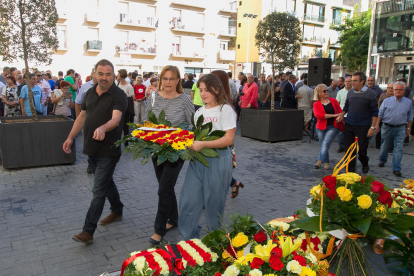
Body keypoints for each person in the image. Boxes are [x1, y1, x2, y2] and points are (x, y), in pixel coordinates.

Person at [63, 59, 127, 244]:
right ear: (94, 74)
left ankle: (88, 231)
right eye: (101, 74)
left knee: (98, 190)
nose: (104, 78)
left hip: (109, 149)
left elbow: (116, 119)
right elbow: (82, 116)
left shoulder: (119, 95)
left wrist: (103, 128)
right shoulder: (89, 92)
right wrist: (70, 138)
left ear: (113, 75)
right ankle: (117, 209)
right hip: (91, 148)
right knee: (106, 182)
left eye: (108, 74)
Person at [178, 73, 236, 240]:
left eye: (206, 90)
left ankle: (216, 242)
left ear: (216, 89)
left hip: (219, 160)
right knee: (187, 201)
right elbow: (197, 137)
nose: (202, 93)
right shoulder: (199, 112)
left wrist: (203, 144)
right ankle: (190, 240)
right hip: (198, 160)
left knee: (214, 206)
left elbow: (228, 139)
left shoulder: (225, 110)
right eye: (200, 90)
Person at [145, 65, 194, 245]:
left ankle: (159, 230)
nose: (167, 82)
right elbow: (146, 120)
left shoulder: (185, 100)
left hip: (176, 151)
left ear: (177, 81)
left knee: (164, 188)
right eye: (164, 78)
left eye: (171, 78)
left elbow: (192, 124)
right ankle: (173, 219)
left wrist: (179, 137)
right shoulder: (152, 98)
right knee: (166, 187)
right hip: (156, 149)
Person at [337, 71, 379, 173]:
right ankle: (350, 172)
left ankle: (365, 162)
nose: (352, 83)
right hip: (349, 124)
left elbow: (375, 112)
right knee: (349, 149)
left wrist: (372, 127)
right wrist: (341, 115)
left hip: (363, 126)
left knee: (361, 150)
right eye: (352, 81)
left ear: (362, 81)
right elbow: (346, 106)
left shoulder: (370, 94)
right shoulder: (350, 92)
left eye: (355, 81)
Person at [211, 70, 244, 199]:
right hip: (213, 145)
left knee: (216, 171)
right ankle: (234, 183)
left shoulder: (225, 106)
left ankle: (233, 184)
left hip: (220, 145)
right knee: (215, 171)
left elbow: (228, 135)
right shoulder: (216, 101)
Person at [375, 81, 413, 177]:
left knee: (398, 148)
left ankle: (396, 168)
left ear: (404, 91)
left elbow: (410, 117)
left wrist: (408, 128)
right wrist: (377, 125)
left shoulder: (408, 102)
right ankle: (382, 160)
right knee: (385, 146)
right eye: (396, 89)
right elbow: (380, 114)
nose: (398, 91)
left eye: (400, 90)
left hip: (400, 128)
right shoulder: (387, 101)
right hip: (387, 126)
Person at [313, 84, 343, 170]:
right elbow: (318, 115)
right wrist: (333, 115)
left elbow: (340, 111)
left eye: (327, 90)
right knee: (323, 146)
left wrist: (339, 116)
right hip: (320, 127)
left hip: (333, 126)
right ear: (319, 93)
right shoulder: (316, 104)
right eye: (324, 91)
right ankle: (326, 161)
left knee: (326, 144)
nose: (327, 92)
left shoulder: (333, 101)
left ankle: (319, 161)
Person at [116, 69, 135, 141]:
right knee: (117, 125)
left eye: (118, 74)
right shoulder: (117, 84)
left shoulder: (129, 86)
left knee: (125, 126)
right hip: (118, 108)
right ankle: (117, 141)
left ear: (122, 75)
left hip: (126, 109)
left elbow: (133, 98)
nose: (117, 76)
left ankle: (126, 142)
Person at [376, 82, 395, 150]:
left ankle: (390, 147)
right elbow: (379, 104)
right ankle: (379, 145)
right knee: (381, 132)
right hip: (383, 116)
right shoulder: (383, 95)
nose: (390, 89)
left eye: (392, 88)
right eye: (389, 88)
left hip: (393, 119)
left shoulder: (397, 97)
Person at [336, 76, 352, 153]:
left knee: (349, 132)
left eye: (349, 81)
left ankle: (348, 146)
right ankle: (341, 146)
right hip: (342, 115)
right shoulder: (340, 92)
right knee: (341, 132)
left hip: (351, 115)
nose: (347, 83)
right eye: (346, 81)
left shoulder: (354, 92)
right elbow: (337, 104)